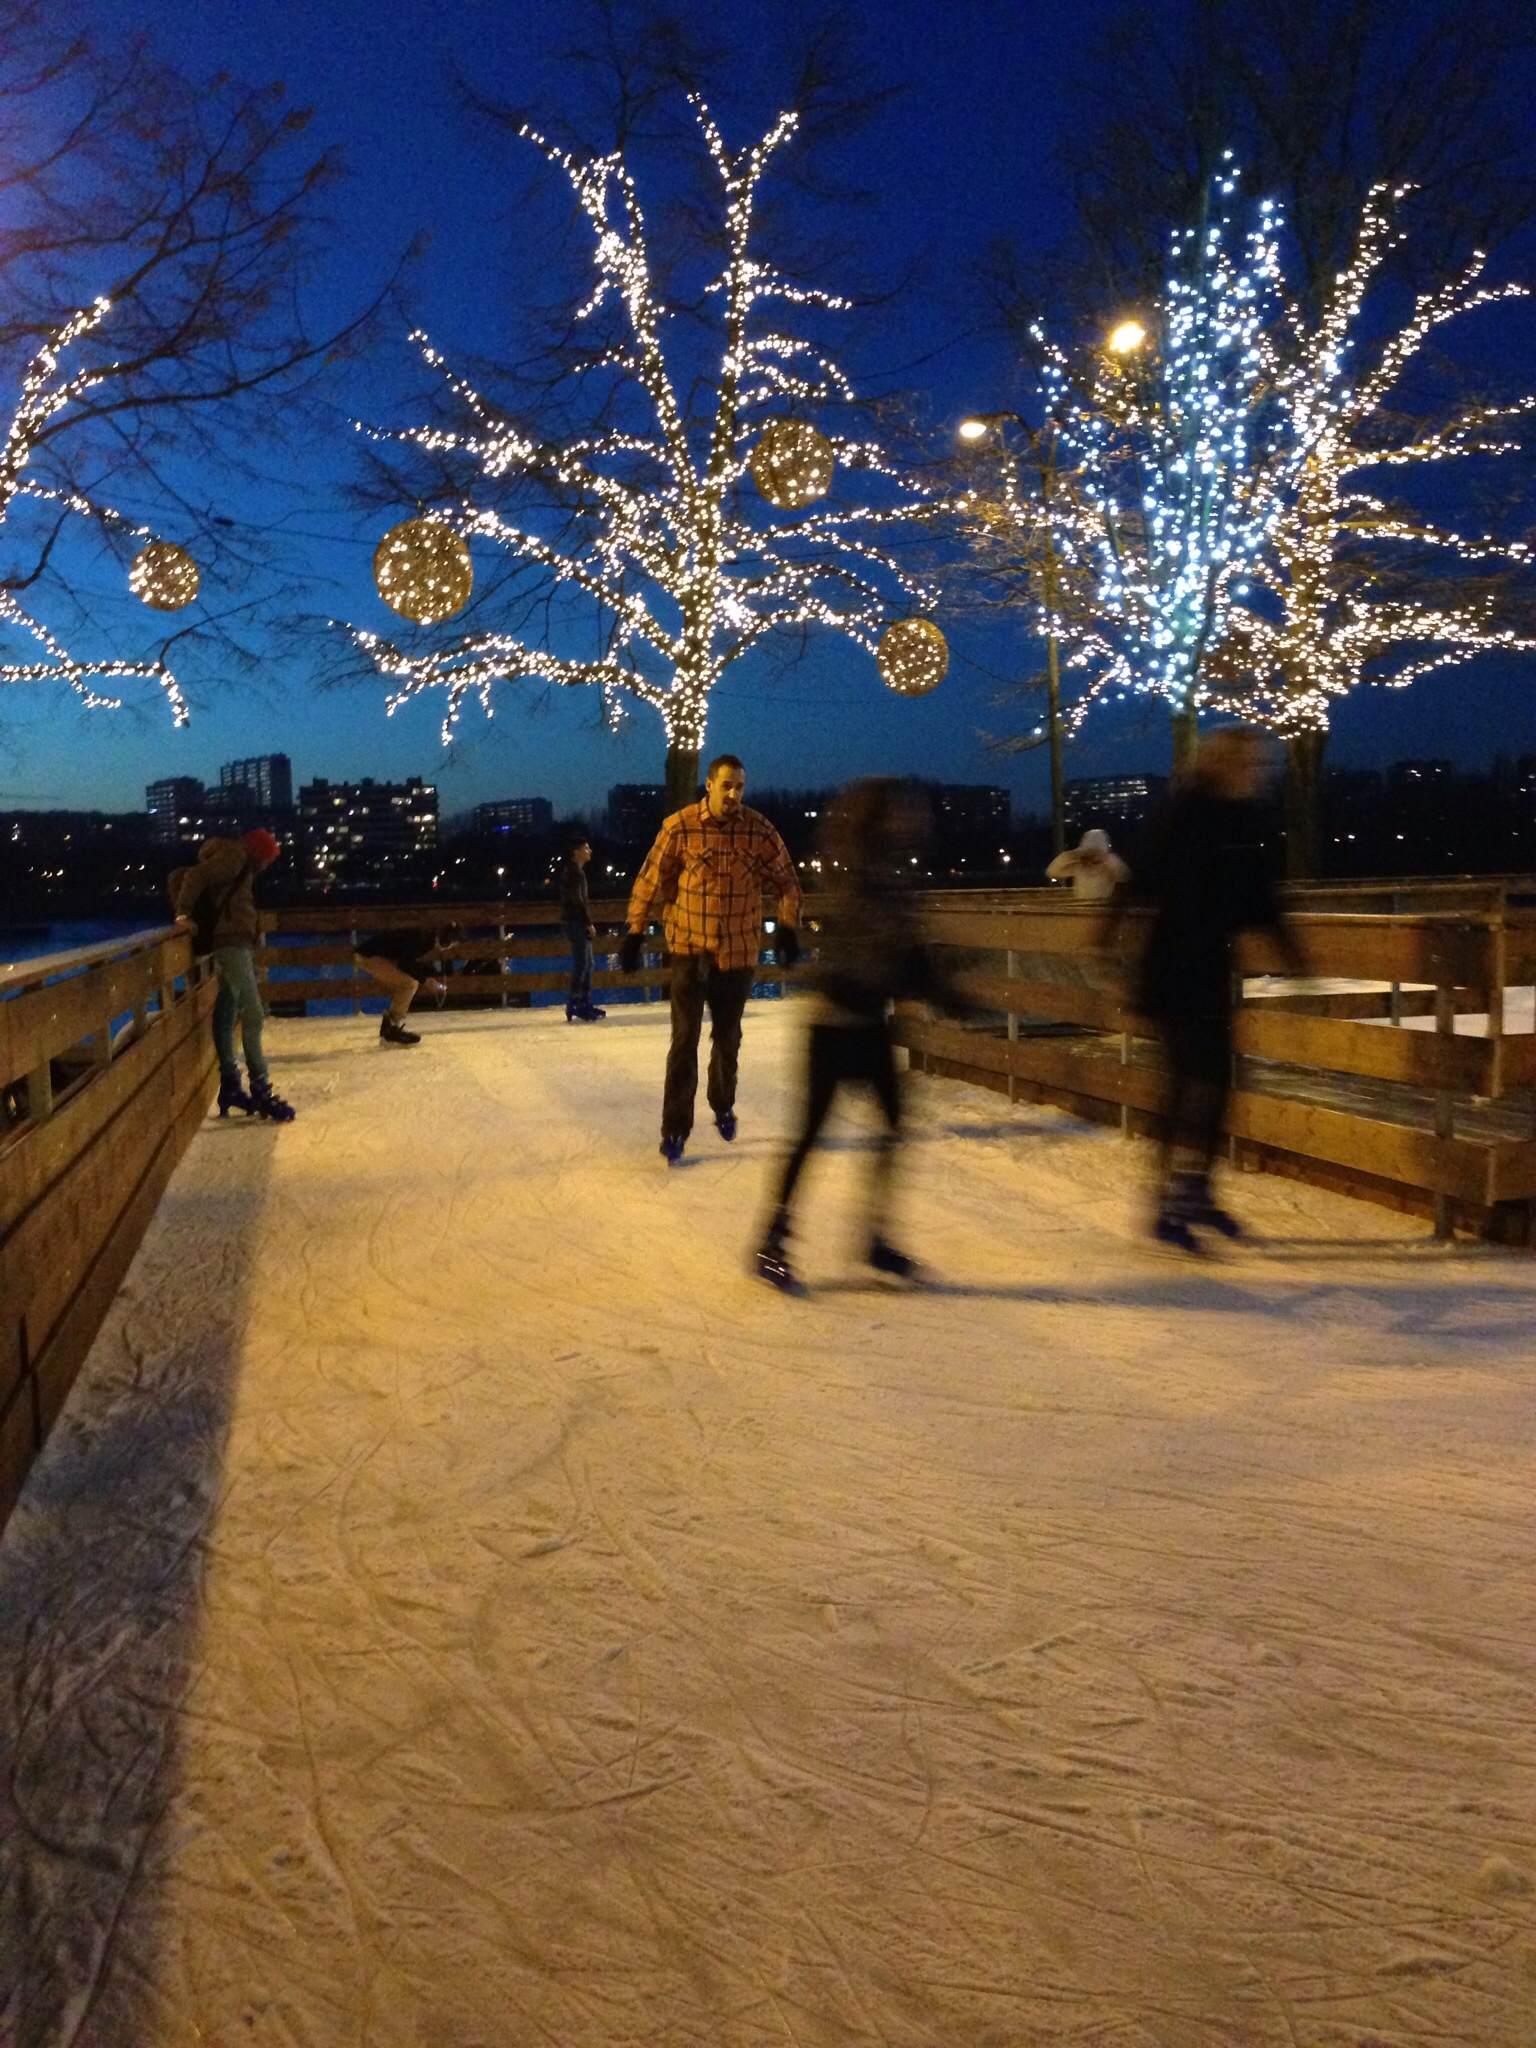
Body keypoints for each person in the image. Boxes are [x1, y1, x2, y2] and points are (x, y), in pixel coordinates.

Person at [754, 779, 967, 1293]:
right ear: (883, 820)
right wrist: (935, 987)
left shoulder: (891, 876)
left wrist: (941, 987)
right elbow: (885, 954)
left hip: (868, 1024)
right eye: (903, 813)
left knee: (893, 1124)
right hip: (833, 1024)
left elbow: (908, 953)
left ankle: (874, 1235)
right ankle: (771, 1242)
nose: (914, 822)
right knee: (811, 1133)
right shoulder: (858, 876)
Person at [1114, 726, 1304, 1250]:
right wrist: (1110, 930)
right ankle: (1169, 1201)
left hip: (1210, 968)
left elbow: (1257, 893)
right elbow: (1140, 875)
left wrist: (1288, 947)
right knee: (1188, 1083)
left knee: (1214, 1081)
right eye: (1249, 763)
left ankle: (1192, 1190)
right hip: (1172, 968)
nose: (1258, 773)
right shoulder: (1185, 811)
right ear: (1223, 763)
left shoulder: (1242, 818)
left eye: (1260, 765)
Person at [620, 754, 801, 1164]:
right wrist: (634, 930)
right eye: (727, 786)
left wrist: (788, 925)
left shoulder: (759, 831)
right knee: (683, 1040)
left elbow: (787, 882)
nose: (734, 794)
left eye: (740, 786)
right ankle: (675, 1129)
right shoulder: (680, 827)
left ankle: (722, 1102)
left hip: (737, 953)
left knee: (727, 1036)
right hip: (689, 948)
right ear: (709, 785)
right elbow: (649, 879)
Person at [172, 827, 296, 1122]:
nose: (267, 865)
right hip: (230, 945)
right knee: (253, 1014)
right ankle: (260, 1087)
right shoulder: (234, 857)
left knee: (227, 1012)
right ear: (258, 852)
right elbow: (196, 876)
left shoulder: (243, 865)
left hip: (236, 942)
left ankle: (230, 1084)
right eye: (268, 858)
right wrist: (183, 913)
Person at [352, 927, 451, 1046]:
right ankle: (391, 1030)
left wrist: (423, 977)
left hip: (371, 954)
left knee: (406, 983)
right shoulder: (424, 941)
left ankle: (390, 1027)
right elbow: (405, 964)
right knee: (408, 984)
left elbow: (407, 960)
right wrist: (425, 980)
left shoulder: (425, 936)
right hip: (368, 956)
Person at [558, 834, 605, 1024]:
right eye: (586, 848)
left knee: (587, 962)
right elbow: (577, 901)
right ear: (576, 852)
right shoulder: (574, 873)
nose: (590, 851)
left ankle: (583, 1001)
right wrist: (588, 923)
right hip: (575, 922)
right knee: (582, 963)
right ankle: (576, 1002)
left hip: (574, 921)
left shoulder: (575, 872)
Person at [1046, 827, 1129, 902]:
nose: (1092, 856)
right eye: (1089, 852)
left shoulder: (1109, 865)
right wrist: (1072, 855)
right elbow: (1051, 871)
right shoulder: (1079, 866)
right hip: (1082, 910)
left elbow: (1124, 875)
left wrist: (1107, 858)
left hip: (1103, 910)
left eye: (1095, 852)